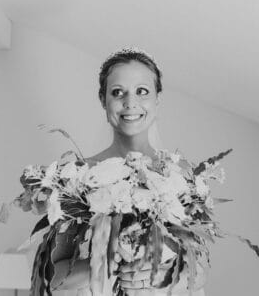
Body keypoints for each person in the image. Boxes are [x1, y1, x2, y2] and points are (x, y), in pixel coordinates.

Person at [50, 48, 208, 296]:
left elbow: (199, 273)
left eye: (142, 91)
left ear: (158, 98)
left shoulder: (181, 176)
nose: (130, 102)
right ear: (103, 100)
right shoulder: (76, 176)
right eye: (117, 92)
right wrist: (98, 268)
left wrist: (161, 275)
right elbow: (52, 277)